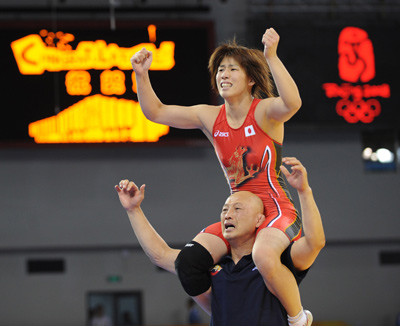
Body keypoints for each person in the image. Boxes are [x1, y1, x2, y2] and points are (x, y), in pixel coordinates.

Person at [131, 27, 306, 324]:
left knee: (264, 257)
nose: (223, 74)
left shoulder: (264, 112)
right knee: (188, 263)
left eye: (232, 69)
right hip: (238, 212)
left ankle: (298, 317)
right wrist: (141, 74)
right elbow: (156, 112)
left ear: (250, 78)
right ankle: (222, 312)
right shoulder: (209, 116)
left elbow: (293, 104)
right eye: (220, 70)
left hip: (275, 208)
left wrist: (272, 57)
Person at [115, 157, 325, 326]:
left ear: (259, 220)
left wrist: (304, 191)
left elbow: (315, 243)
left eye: (237, 209)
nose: (228, 215)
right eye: (225, 209)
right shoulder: (215, 268)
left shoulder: (275, 261)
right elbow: (160, 255)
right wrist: (133, 210)